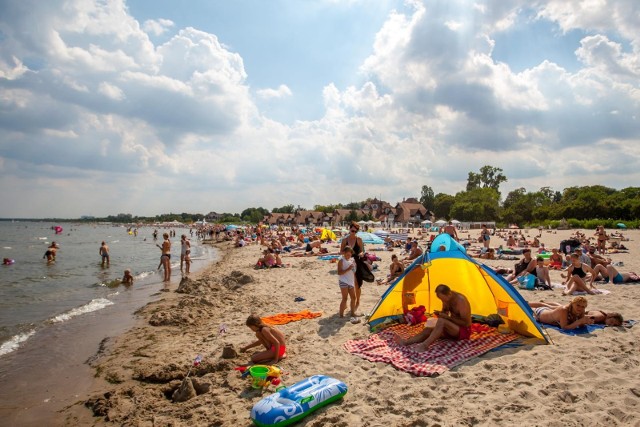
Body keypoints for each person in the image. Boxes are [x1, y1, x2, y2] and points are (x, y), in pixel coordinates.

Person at [394, 284, 472, 352]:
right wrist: (441, 314)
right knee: (428, 330)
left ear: (449, 294)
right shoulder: (446, 299)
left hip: (463, 331)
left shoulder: (461, 301)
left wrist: (447, 318)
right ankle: (406, 342)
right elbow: (445, 313)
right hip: (452, 328)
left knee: (441, 321)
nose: (443, 301)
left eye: (443, 299)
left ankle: (425, 345)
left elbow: (466, 323)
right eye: (440, 299)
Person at [340, 222, 366, 314]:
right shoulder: (344, 240)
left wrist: (360, 254)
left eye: (355, 231)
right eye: (352, 230)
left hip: (357, 262)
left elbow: (362, 251)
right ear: (349, 229)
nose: (353, 232)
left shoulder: (359, 239)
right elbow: (341, 252)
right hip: (347, 263)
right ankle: (346, 303)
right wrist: (348, 253)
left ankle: (357, 301)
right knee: (347, 283)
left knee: (356, 284)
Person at [528, 297, 594, 330]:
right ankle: (525, 303)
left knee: (551, 306)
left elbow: (581, 325)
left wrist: (586, 321)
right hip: (541, 314)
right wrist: (580, 321)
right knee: (544, 306)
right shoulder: (564, 310)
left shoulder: (581, 310)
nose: (580, 308)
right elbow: (564, 327)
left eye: (582, 306)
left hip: (552, 313)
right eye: (578, 305)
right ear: (572, 304)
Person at [337, 246, 359, 323]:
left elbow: (354, 272)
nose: (348, 256)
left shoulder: (352, 260)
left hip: (351, 281)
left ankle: (352, 313)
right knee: (345, 298)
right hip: (343, 281)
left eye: (350, 255)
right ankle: (341, 315)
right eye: (347, 254)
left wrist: (355, 280)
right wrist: (348, 269)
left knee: (353, 297)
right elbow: (339, 272)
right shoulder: (341, 260)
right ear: (344, 253)